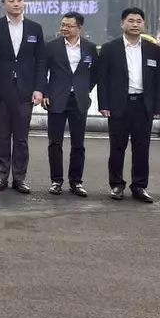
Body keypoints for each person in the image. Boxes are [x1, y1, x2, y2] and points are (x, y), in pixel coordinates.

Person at [96, 7, 160, 203]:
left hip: (144, 105)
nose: (135, 24)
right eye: (131, 21)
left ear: (143, 24)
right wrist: (104, 104)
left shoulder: (153, 49)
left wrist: (157, 107)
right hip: (119, 104)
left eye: (139, 21)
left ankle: (139, 186)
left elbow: (159, 80)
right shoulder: (110, 48)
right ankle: (116, 185)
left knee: (142, 148)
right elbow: (103, 79)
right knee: (117, 148)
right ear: (122, 23)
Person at [0, 0, 46, 193]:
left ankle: (19, 178)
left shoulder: (35, 28)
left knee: (21, 137)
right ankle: (1, 176)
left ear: (23, 2)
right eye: (11, 0)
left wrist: (39, 88)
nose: (16, 4)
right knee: (2, 136)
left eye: (19, 0)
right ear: (4, 4)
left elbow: (41, 61)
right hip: (2, 89)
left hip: (25, 90)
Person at [41, 11, 99, 197]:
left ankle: (76, 182)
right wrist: (45, 93)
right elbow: (42, 71)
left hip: (79, 100)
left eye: (69, 26)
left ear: (79, 28)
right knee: (55, 143)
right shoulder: (52, 47)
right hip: (56, 99)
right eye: (62, 25)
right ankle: (56, 181)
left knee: (78, 144)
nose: (64, 28)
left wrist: (84, 89)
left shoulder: (90, 48)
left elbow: (95, 73)